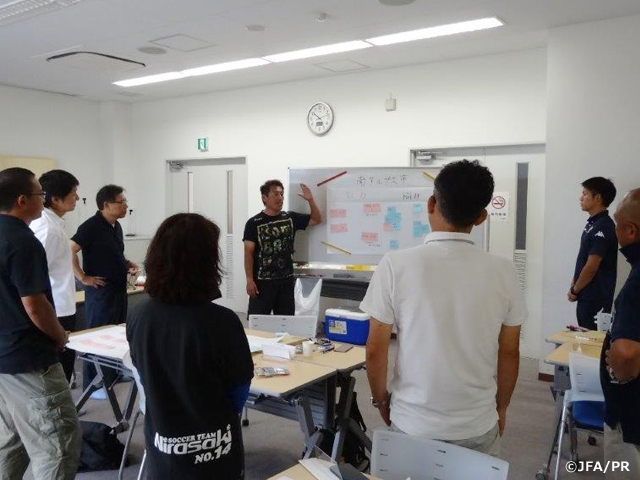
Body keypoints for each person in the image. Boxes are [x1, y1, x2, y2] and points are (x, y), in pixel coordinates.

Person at [361, 160, 526, 456]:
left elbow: (375, 348)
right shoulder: (505, 271)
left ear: (431, 204)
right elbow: (510, 351)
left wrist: (380, 399)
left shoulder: (395, 265)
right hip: (477, 423)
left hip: (412, 421)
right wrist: (501, 407)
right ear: (482, 217)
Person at [127, 213, 254, 479]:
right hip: (215, 452)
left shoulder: (138, 315)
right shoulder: (223, 322)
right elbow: (239, 393)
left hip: (163, 449)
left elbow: (144, 376)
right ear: (207, 263)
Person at [0, 167, 81, 479]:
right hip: (29, 358)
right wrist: (60, 335)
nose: (43, 199)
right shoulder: (23, 241)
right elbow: (34, 306)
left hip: (5, 356)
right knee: (57, 446)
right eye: (39, 194)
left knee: (12, 440)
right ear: (22, 200)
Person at [70, 184, 138, 395]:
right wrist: (83, 277)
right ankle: (93, 384)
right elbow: (70, 249)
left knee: (117, 331)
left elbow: (112, 253)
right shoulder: (91, 226)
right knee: (98, 335)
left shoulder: (116, 226)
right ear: (106, 205)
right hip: (100, 291)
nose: (125, 206)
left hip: (118, 288)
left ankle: (114, 373)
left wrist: (126, 263)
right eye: (121, 202)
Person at [600, 188, 640, 479]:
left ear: (631, 231)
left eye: (617, 223)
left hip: (630, 417)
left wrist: (616, 370)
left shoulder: (636, 285)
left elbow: (626, 353)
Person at [30, 170, 80, 383]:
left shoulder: (55, 224)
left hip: (62, 306)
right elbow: (36, 275)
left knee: (64, 367)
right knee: (58, 372)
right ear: (56, 199)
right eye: (73, 193)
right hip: (55, 310)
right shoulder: (48, 229)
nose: (77, 197)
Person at [243, 180, 321, 315]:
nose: (280, 198)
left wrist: (310, 200)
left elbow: (316, 219)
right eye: (275, 194)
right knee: (258, 322)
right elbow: (248, 253)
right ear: (264, 198)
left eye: (282, 194)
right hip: (262, 284)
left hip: (286, 282)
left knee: (285, 321)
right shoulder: (253, 223)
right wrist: (249, 279)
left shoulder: (290, 217)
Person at [568, 177, 618, 330]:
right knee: (584, 334)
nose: (580, 198)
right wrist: (574, 282)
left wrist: (575, 290)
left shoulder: (603, 226)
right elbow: (583, 259)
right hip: (586, 295)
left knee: (593, 339)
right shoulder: (593, 224)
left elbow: (592, 266)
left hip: (597, 298)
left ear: (597, 198)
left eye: (585, 194)